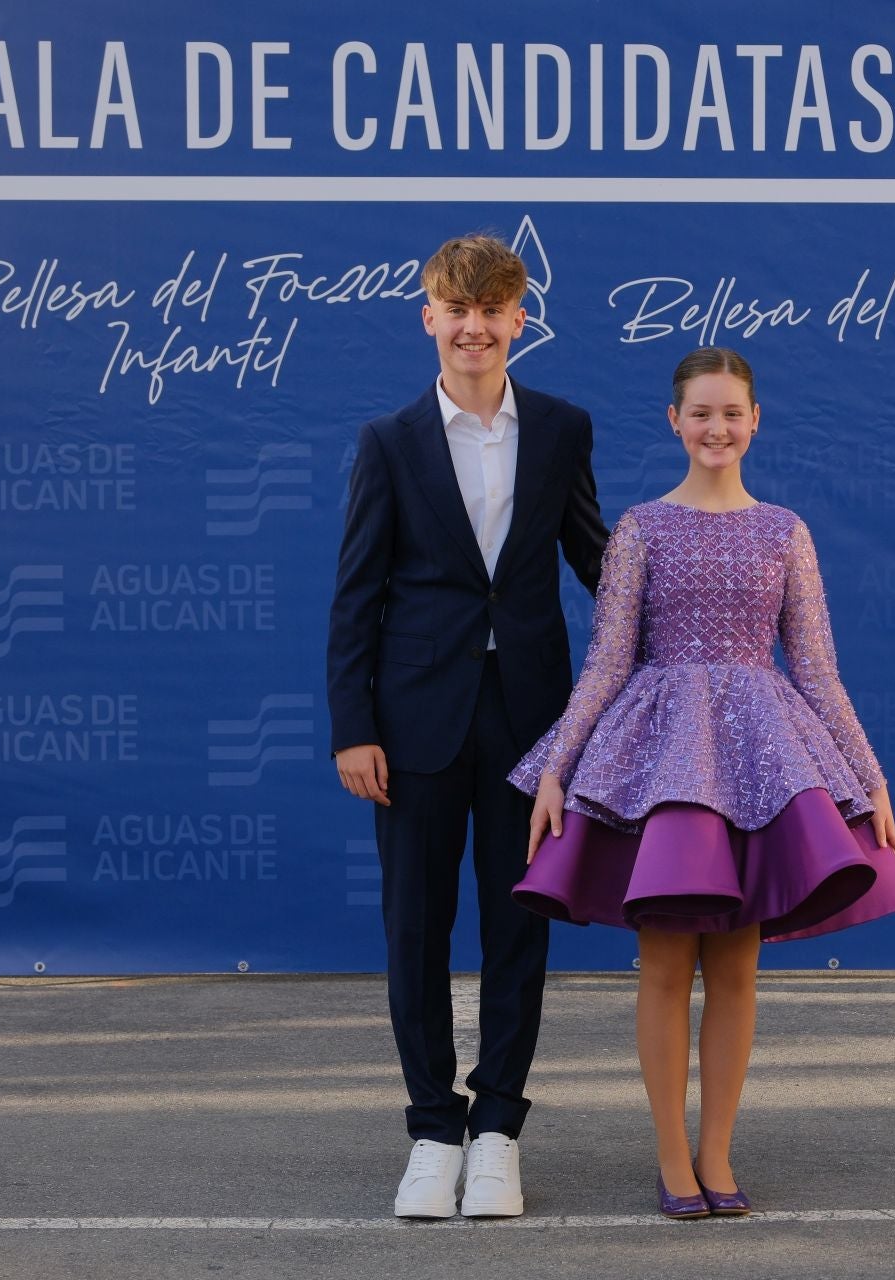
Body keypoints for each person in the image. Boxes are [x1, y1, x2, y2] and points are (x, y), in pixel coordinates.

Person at [508, 346, 895, 1219]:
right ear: (674, 421)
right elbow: (608, 662)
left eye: (732, 412)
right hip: (666, 768)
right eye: (700, 413)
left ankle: (718, 1154)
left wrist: (870, 779)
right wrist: (556, 768)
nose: (717, 428)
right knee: (664, 964)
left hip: (761, 764)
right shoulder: (639, 530)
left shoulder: (785, 531)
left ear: (755, 421)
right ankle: (671, 1158)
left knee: (736, 969)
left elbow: (817, 670)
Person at [326, 233, 608, 1219]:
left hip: (531, 718)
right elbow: (356, 596)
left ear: (520, 320)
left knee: (518, 922)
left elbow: (597, 559)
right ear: (430, 318)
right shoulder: (389, 442)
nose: (475, 328)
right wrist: (353, 724)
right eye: (458, 311)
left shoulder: (563, 428)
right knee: (415, 925)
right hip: (414, 721)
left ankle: (496, 1132)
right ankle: (432, 1131)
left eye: (493, 311)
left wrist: (686, 610)